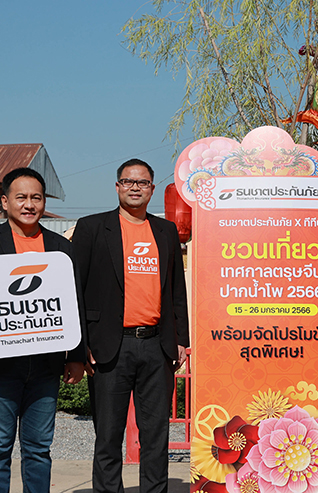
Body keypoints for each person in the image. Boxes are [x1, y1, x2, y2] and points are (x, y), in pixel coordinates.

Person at [0, 167, 85, 493]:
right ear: (5, 202)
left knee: (38, 449)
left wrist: (77, 356)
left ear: (43, 202)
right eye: (21, 197)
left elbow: (74, 302)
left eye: (36, 197)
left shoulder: (59, 247)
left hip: (45, 363)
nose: (29, 204)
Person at [72, 158, 189, 493]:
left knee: (156, 435)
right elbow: (75, 288)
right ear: (117, 187)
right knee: (108, 435)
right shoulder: (93, 228)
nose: (135, 187)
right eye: (128, 181)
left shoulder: (164, 230)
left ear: (151, 188)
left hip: (157, 345)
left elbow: (176, 290)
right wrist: (80, 347)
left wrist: (182, 339)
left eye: (142, 182)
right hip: (110, 346)